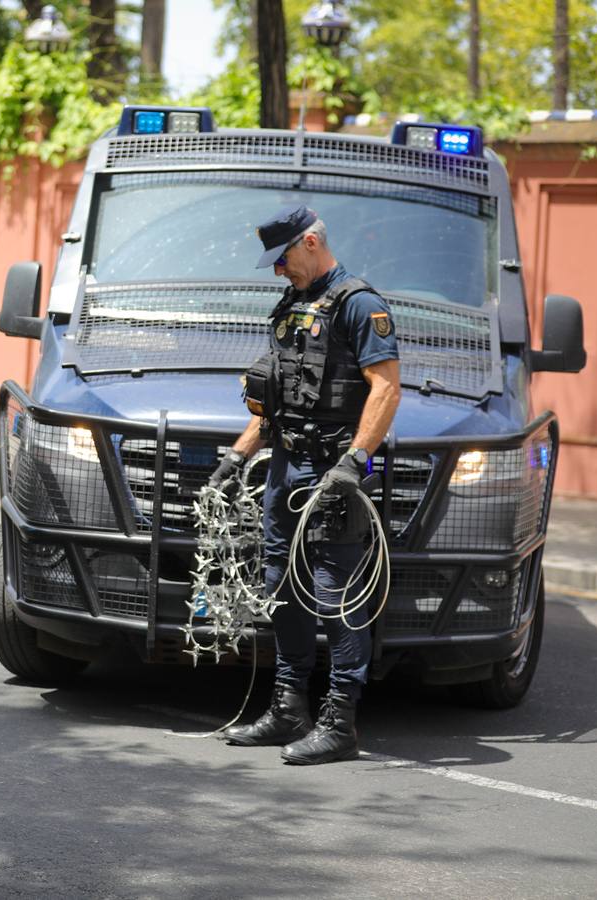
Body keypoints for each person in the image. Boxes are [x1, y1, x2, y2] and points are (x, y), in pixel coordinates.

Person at [207, 205, 400, 765]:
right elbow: (275, 400)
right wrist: (236, 459)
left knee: (336, 598)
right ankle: (290, 708)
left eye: (284, 257)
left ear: (311, 242)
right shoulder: (291, 305)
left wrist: (354, 462)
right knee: (280, 589)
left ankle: (340, 722)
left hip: (331, 475)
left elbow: (386, 389)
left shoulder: (360, 304)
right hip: (285, 467)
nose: (277, 271)